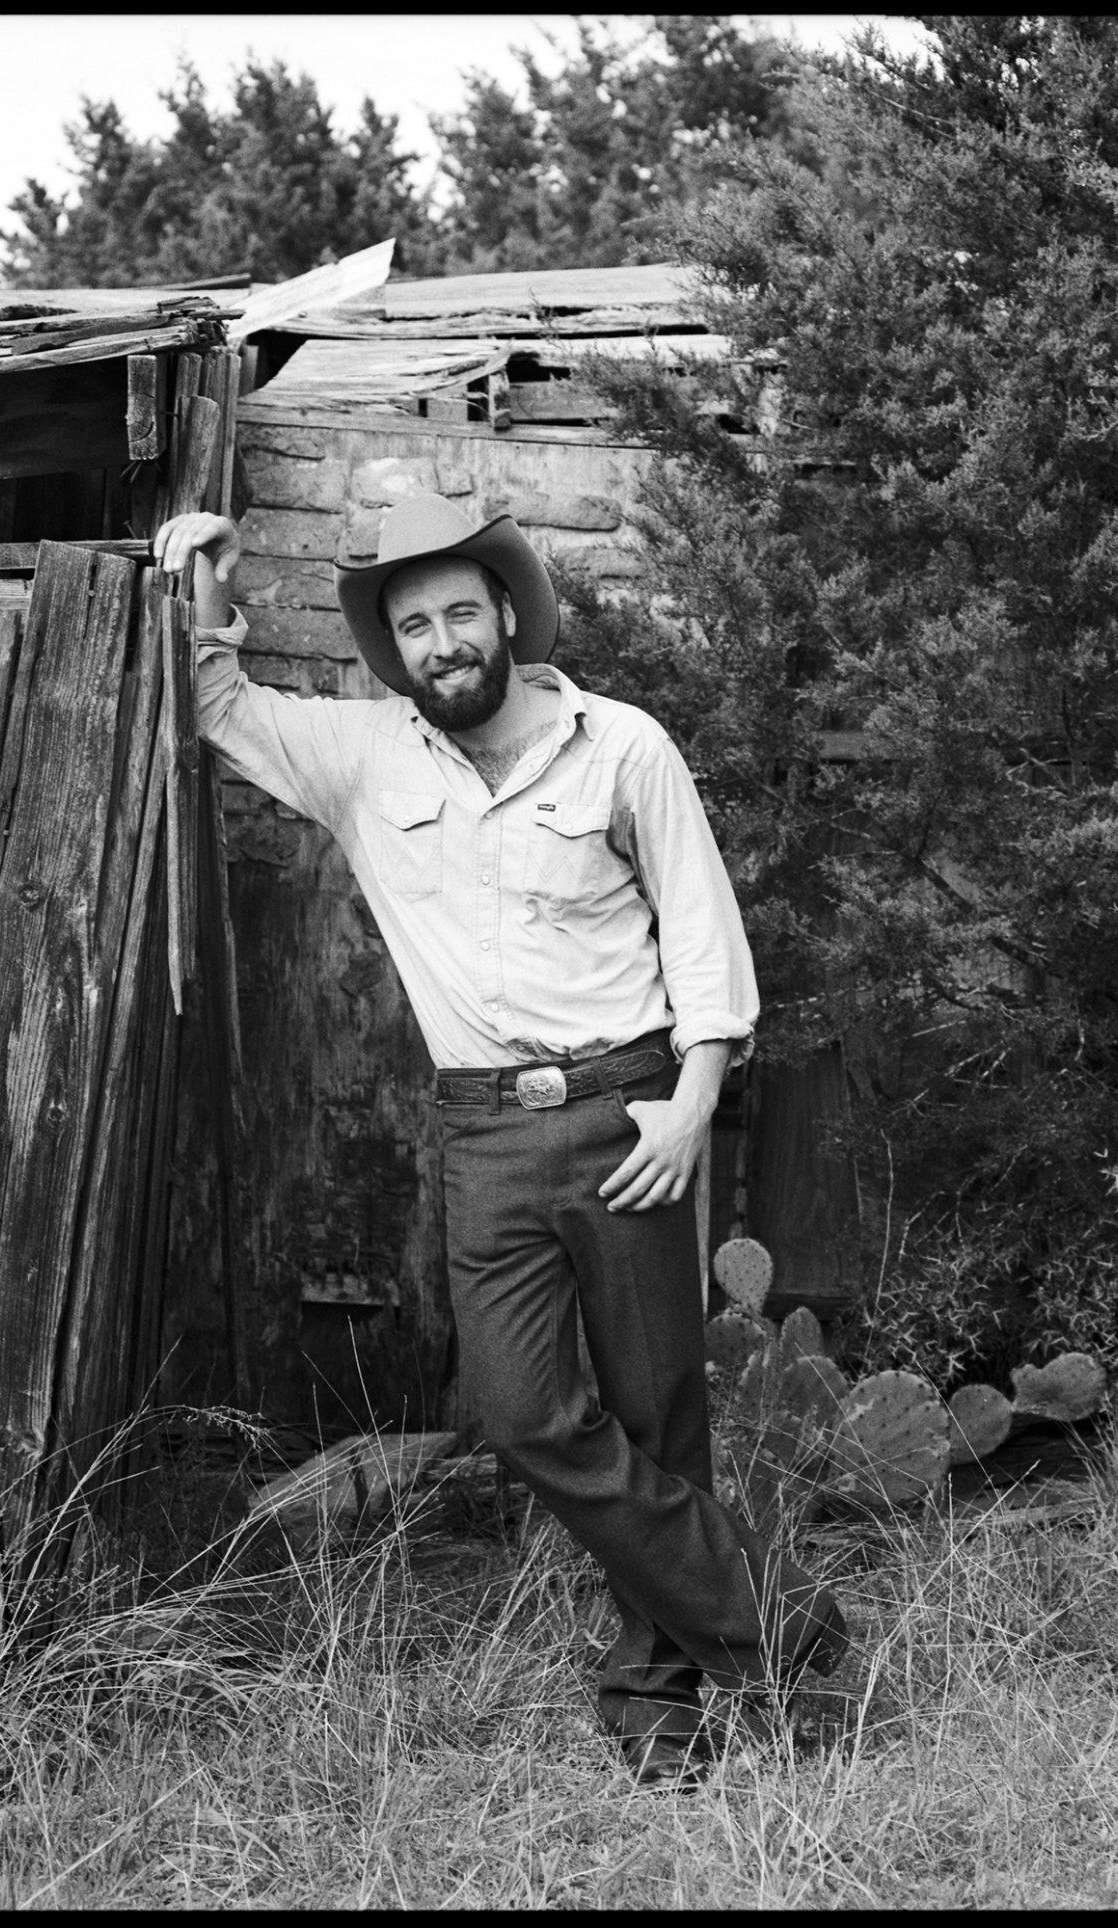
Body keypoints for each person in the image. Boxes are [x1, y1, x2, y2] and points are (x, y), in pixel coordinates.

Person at [152, 492, 847, 1787]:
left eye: (460, 613)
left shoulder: (621, 746)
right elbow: (218, 706)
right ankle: (782, 1623)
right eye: (415, 625)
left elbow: (703, 932)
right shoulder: (363, 758)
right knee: (526, 1415)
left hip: (630, 1111)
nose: (443, 642)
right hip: (483, 1131)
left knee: (656, 1415)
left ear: (508, 616)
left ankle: (656, 1705)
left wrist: (693, 1102)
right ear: (394, 646)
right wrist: (209, 580)